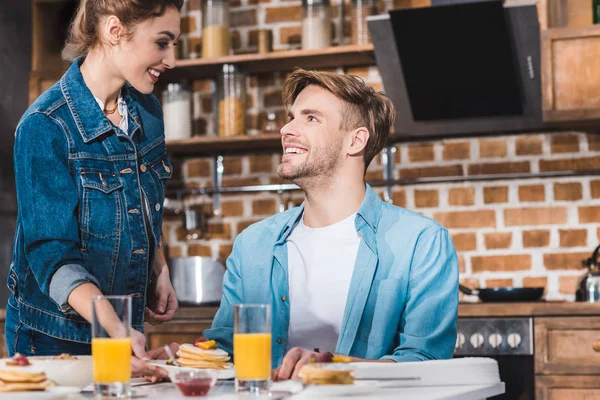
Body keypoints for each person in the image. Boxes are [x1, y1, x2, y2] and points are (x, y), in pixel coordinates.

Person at [202, 69, 459, 380]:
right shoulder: (252, 244)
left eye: (311, 118)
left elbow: (426, 361)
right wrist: (186, 357)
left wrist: (335, 366)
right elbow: (226, 351)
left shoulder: (421, 242)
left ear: (355, 140)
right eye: (291, 117)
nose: (286, 129)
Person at [5, 0, 182, 378]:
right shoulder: (44, 126)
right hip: (52, 339)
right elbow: (51, 254)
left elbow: (143, 202)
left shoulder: (147, 112)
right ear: (114, 31)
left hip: (121, 329)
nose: (171, 59)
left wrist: (158, 264)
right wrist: (112, 325)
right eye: (162, 43)